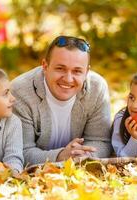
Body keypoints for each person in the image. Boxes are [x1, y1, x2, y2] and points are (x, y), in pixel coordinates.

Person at [10, 35, 112, 166]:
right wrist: (61, 156)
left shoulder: (97, 88)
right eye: (60, 69)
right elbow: (21, 152)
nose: (68, 79)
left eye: (77, 71)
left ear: (86, 72)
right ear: (45, 66)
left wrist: (82, 156)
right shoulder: (20, 91)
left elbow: (101, 141)